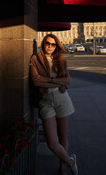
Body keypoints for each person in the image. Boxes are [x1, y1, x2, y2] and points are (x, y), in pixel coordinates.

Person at [30, 34, 78, 175]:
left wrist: (48, 80)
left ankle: (62, 167)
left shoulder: (61, 60)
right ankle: (70, 161)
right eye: (47, 44)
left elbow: (67, 80)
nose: (50, 46)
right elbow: (36, 82)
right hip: (45, 101)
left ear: (56, 46)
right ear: (43, 44)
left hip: (62, 98)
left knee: (63, 135)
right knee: (51, 142)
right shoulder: (35, 59)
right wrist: (56, 80)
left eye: (53, 44)